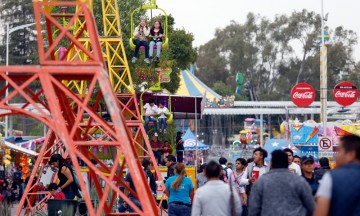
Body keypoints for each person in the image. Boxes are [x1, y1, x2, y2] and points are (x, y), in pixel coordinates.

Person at [248, 150, 315, 216]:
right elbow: (311, 206)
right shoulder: (299, 180)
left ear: (271, 164)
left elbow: (253, 209)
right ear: (287, 163)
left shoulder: (261, 182)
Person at [314, 135, 360, 216]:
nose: (336, 155)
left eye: (339, 151)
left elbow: (320, 213)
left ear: (351, 155)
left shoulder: (332, 177)